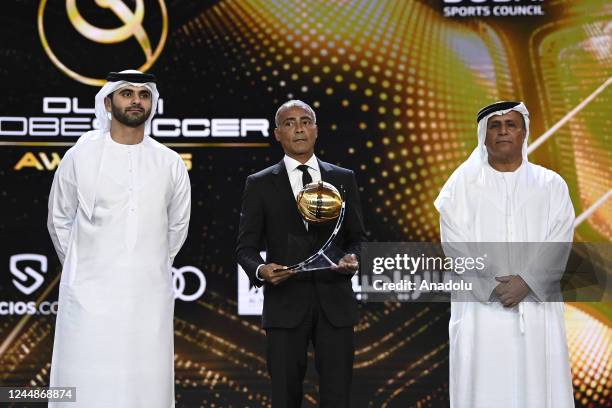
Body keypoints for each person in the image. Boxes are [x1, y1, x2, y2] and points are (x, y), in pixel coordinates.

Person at [47, 70, 191, 407]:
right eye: (127, 93)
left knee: (145, 385)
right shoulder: (80, 156)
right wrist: (83, 266)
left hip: (147, 295)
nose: (136, 100)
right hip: (89, 296)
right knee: (84, 382)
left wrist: (145, 263)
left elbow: (177, 227)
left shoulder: (169, 162)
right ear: (108, 103)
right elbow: (59, 219)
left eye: (144, 94)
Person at [434, 101, 575, 408]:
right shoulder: (461, 186)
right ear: (483, 136)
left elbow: (560, 241)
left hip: (537, 309)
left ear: (524, 132)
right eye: (495, 126)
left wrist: (527, 282)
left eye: (511, 124)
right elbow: (455, 246)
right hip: (480, 310)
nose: (503, 131)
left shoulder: (551, 185)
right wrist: (492, 285)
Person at [236, 100, 366, 407]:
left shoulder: (343, 178)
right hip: (285, 306)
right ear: (277, 134)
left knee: (338, 397)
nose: (299, 129)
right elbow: (245, 248)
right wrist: (261, 270)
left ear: (316, 130)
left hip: (335, 306)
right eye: (290, 123)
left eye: (305, 122)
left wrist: (353, 259)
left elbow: (357, 238)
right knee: (285, 397)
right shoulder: (260, 183)